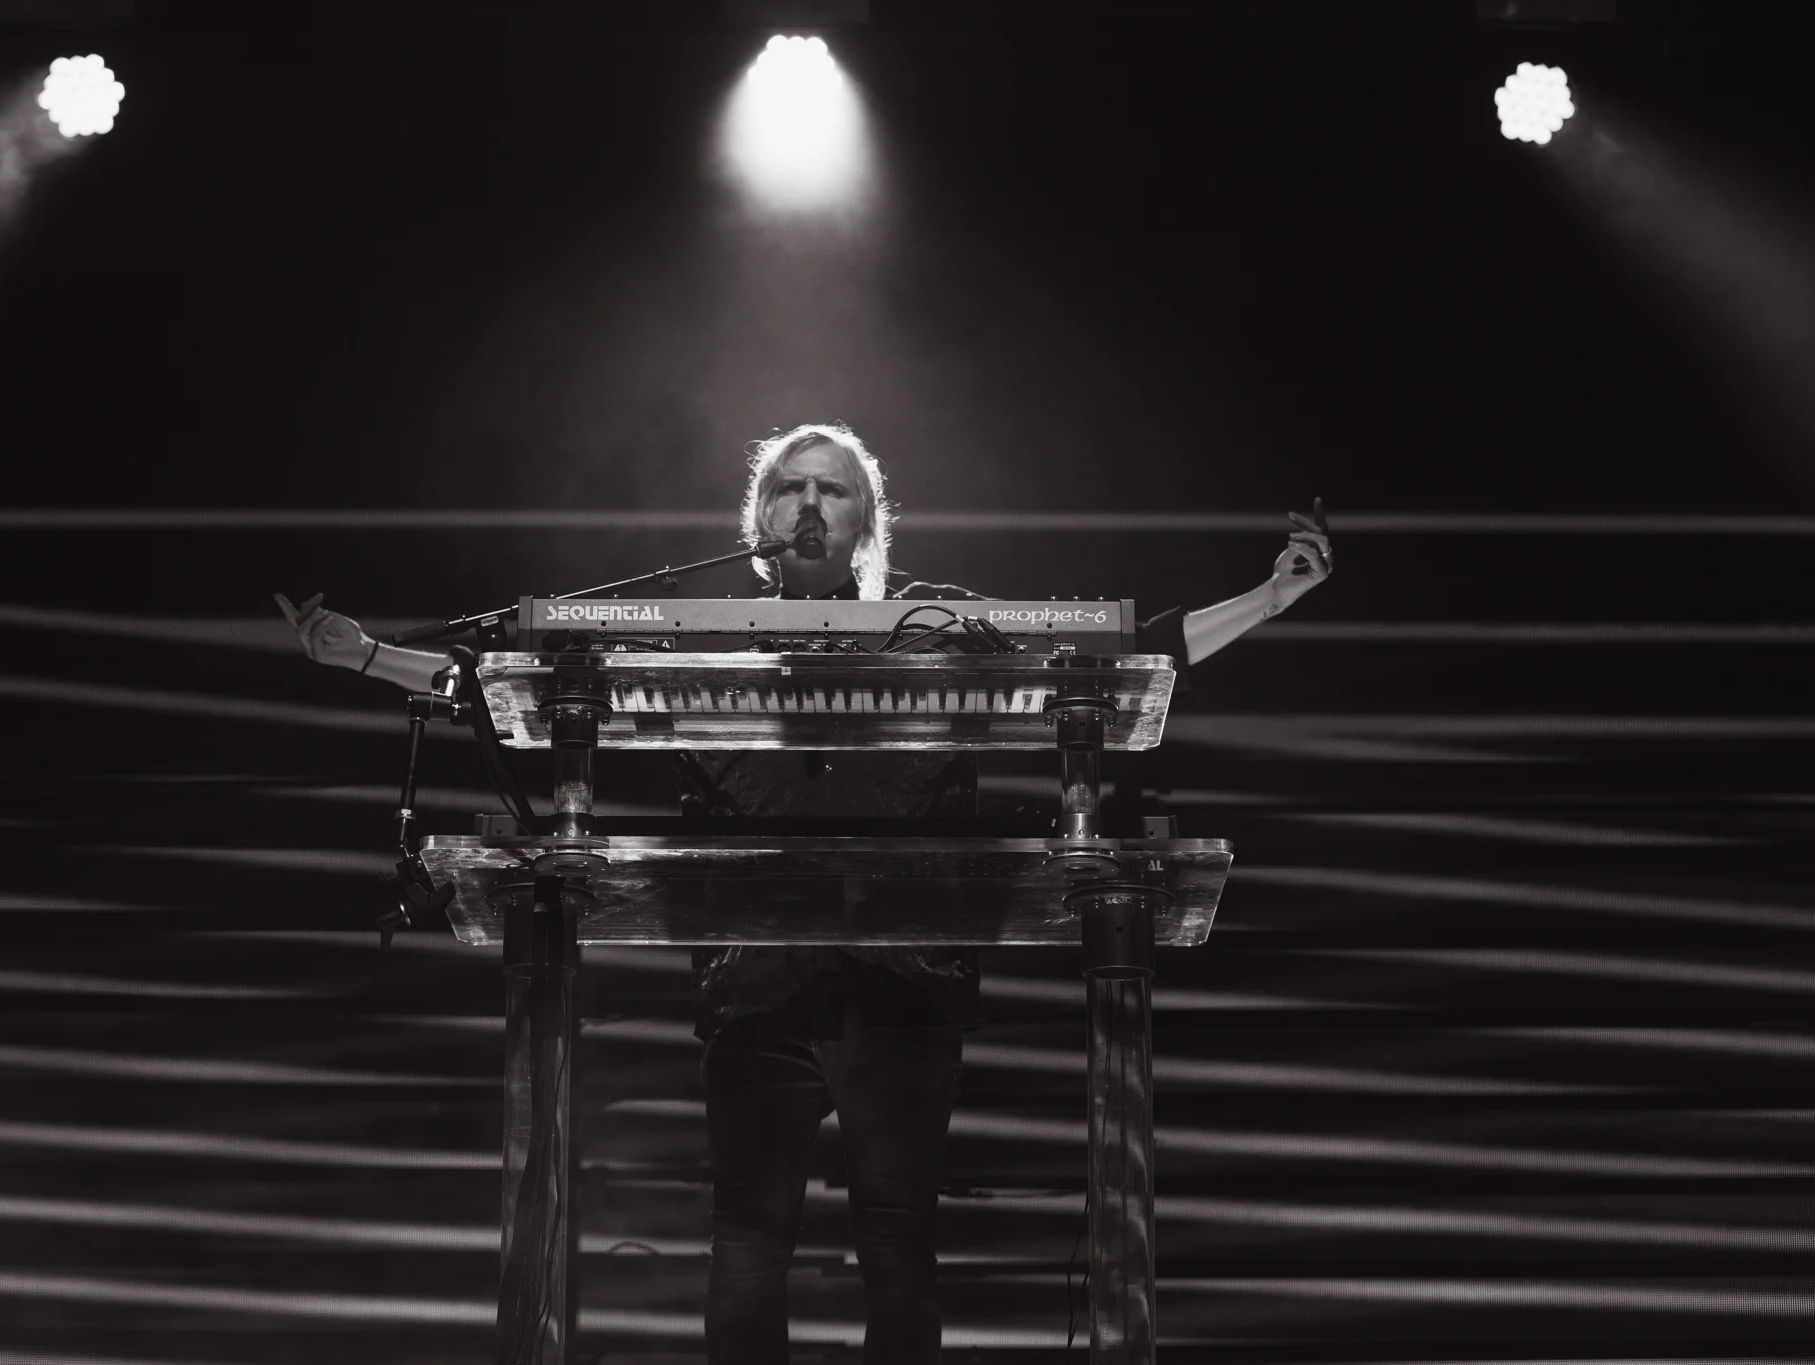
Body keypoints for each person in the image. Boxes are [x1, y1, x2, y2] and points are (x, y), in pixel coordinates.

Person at [276, 423, 1333, 1364]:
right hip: (756, 985)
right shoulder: (702, 637)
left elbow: (1138, 652)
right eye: (791, 487)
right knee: (745, 1250)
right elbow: (497, 681)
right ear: (759, 520)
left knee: (899, 1246)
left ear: (869, 520)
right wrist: (366, 656)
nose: (810, 503)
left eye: (833, 489)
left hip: (905, 983)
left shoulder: (944, 628)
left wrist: (1272, 596)